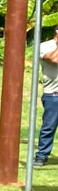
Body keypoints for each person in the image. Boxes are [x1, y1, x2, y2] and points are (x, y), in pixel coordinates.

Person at [36, 27, 57, 167]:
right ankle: (42, 155)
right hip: (54, 95)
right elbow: (55, 59)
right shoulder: (44, 46)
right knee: (48, 127)